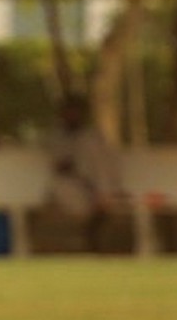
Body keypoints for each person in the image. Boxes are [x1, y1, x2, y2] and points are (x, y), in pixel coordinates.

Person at [44, 92, 126, 251]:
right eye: (68, 111)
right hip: (71, 184)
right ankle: (92, 233)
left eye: (75, 111)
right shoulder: (56, 137)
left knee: (103, 193)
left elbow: (104, 165)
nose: (72, 115)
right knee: (70, 192)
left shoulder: (92, 136)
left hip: (97, 185)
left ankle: (102, 204)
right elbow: (60, 165)